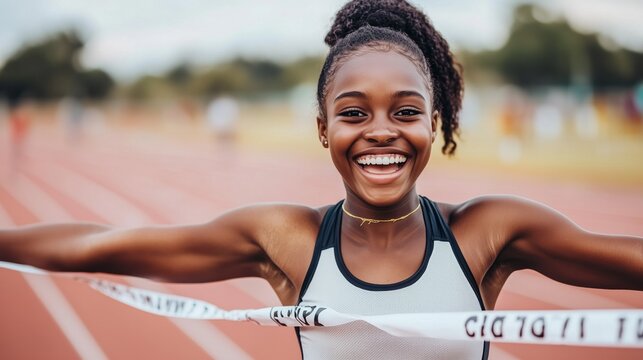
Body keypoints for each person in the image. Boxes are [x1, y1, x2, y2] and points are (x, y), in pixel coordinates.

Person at [0, 1, 641, 359]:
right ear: (322, 128)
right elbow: (106, 245)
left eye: (407, 112)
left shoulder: (487, 232)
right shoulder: (288, 240)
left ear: (435, 119)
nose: (382, 130)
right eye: (354, 113)